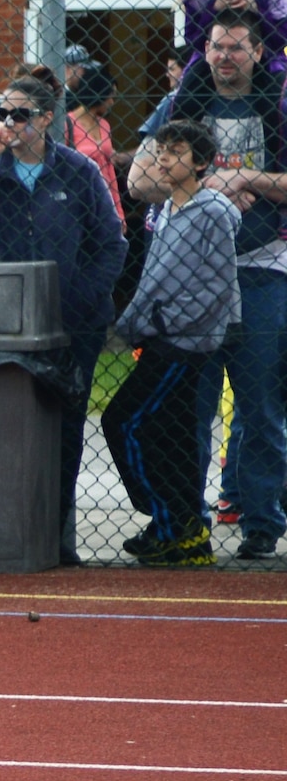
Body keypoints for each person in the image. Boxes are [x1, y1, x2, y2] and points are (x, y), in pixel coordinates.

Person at [0, 65, 126, 565]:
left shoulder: (78, 171)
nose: (9, 122)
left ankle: (57, 537)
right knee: (11, 423)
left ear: (45, 119)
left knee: (65, 427)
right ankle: (10, 532)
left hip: (73, 323)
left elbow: (111, 244)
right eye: (1, 113)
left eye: (20, 115)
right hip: (11, 324)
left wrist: (80, 297)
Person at [130, 9, 287, 560]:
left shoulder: (280, 107)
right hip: (193, 281)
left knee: (261, 404)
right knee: (189, 408)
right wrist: (206, 186)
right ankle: (188, 522)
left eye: (237, 47)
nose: (225, 57)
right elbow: (140, 181)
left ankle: (262, 522)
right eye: (217, 47)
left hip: (263, 270)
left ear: (258, 53)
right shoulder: (180, 106)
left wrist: (247, 178)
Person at [102, 120, 241, 567]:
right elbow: (156, 278)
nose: (163, 158)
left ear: (201, 162)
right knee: (171, 433)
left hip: (184, 343)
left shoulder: (213, 212)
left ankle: (172, 520)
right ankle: (181, 528)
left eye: (176, 151)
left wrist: (169, 321)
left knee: (126, 421)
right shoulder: (164, 211)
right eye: (161, 150)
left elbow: (219, 285)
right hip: (159, 336)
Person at [67, 65, 125, 217]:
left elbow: (110, 170)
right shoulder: (67, 124)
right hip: (79, 198)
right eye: (110, 96)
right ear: (99, 93)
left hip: (105, 199)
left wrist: (118, 211)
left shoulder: (104, 125)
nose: (112, 102)